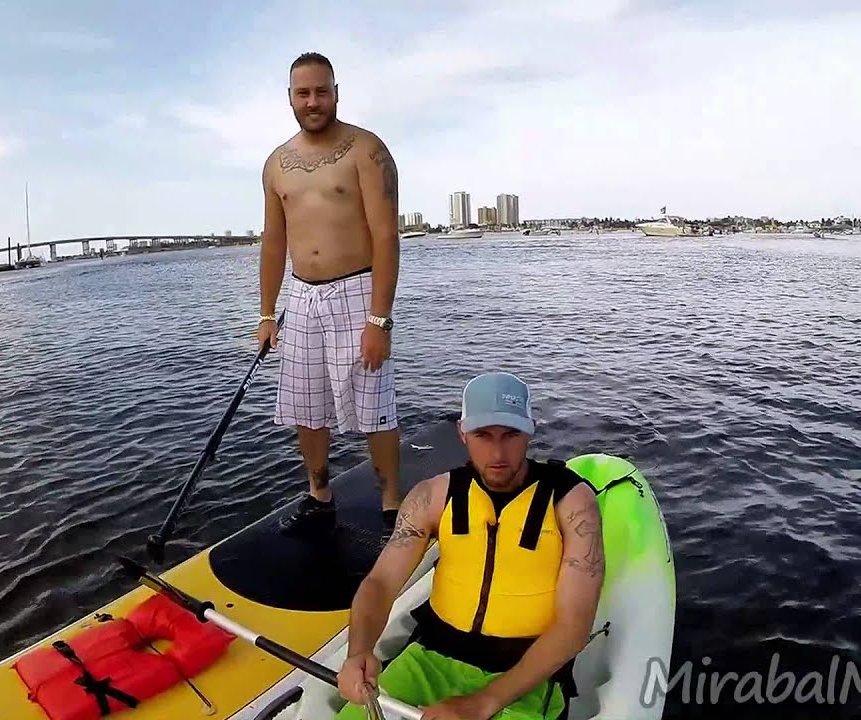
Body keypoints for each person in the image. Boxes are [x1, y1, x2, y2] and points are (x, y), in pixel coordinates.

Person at [335, 372, 605, 720]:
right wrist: (359, 651)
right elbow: (381, 583)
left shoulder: (571, 502)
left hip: (523, 674)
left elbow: (573, 627)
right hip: (429, 658)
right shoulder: (431, 496)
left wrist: (485, 701)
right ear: (462, 433)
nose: (497, 452)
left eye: (511, 435)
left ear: (530, 431)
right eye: (482, 435)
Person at [257, 51, 403, 540]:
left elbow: (386, 236)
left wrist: (379, 320)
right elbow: (273, 240)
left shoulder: (367, 150)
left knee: (374, 404)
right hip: (301, 296)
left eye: (322, 91)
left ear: (336, 92)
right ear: (290, 99)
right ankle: (319, 495)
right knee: (305, 405)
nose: (313, 101)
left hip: (358, 290)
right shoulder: (276, 164)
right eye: (303, 93)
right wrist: (266, 314)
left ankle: (391, 503)